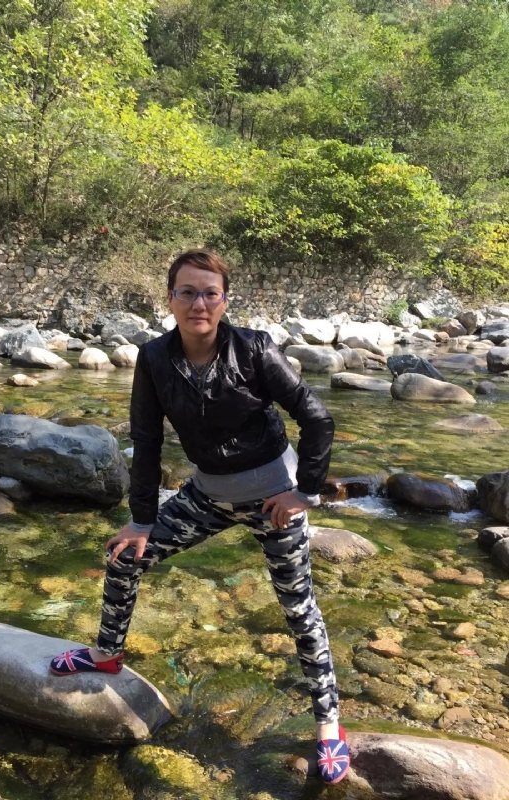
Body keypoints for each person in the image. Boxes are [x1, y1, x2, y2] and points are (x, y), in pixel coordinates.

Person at [50, 249, 350, 785]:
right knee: (123, 557)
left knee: (298, 609)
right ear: (170, 299)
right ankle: (107, 654)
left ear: (225, 300)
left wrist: (305, 493)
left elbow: (317, 418)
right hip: (206, 497)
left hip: (273, 502)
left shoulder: (255, 348)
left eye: (210, 293)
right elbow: (146, 442)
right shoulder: (154, 358)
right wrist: (142, 521)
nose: (199, 303)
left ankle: (328, 722)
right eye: (187, 292)